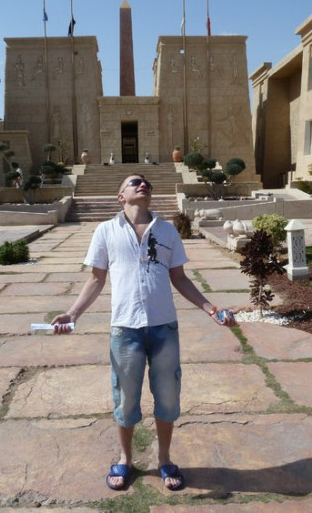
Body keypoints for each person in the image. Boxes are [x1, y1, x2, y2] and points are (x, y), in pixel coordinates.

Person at [51, 173, 236, 492]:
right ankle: (125, 459)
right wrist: (73, 314)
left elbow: (180, 278)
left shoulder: (167, 230)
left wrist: (210, 308)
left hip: (164, 327)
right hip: (125, 329)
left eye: (146, 183)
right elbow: (96, 279)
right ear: (120, 196)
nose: (143, 185)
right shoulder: (106, 231)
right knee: (125, 399)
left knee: (168, 396)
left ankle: (164, 459)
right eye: (134, 182)